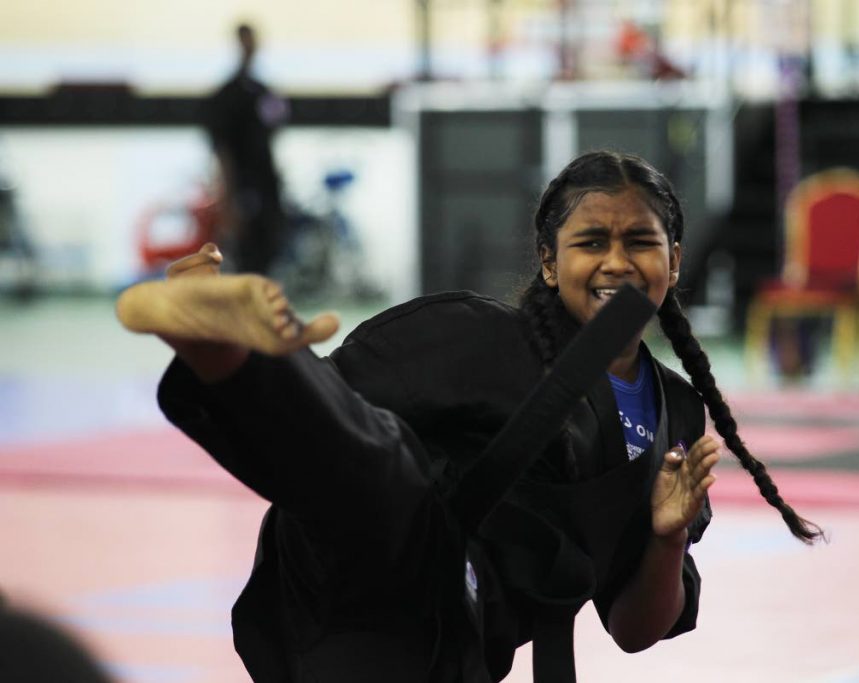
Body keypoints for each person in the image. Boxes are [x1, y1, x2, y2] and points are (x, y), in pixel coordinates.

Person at [116, 151, 823, 682]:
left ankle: (223, 343)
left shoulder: (675, 411)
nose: (617, 262)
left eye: (640, 241)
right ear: (549, 263)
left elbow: (635, 630)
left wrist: (666, 538)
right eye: (591, 242)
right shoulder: (468, 334)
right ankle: (216, 336)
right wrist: (256, 368)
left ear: (674, 259)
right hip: (351, 581)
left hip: (451, 644)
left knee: (393, 482)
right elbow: (312, 435)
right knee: (388, 471)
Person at [203, 23, 289, 275]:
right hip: (242, 188)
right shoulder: (227, 97)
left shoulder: (263, 92)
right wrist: (227, 199)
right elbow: (223, 150)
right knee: (245, 259)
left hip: (265, 187)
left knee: (266, 256)